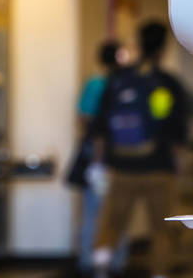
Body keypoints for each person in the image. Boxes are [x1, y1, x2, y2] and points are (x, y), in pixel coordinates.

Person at [90, 22, 187, 278]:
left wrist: (100, 163)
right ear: (163, 48)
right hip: (158, 166)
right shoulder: (167, 83)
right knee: (162, 227)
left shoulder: (117, 79)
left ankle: (101, 265)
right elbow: (176, 129)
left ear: (139, 44)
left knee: (112, 222)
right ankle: (160, 272)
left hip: (121, 165)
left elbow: (99, 126)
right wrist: (178, 162)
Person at [71, 41, 125, 275]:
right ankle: (116, 261)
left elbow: (85, 121)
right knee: (118, 212)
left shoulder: (95, 84)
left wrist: (94, 158)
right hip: (120, 157)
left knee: (92, 212)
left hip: (96, 158)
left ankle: (88, 261)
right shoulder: (123, 84)